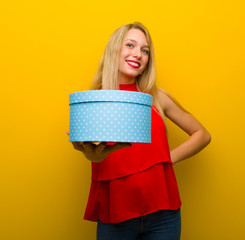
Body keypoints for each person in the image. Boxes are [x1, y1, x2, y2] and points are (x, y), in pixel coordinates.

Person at [68, 22, 211, 240]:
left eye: (145, 50)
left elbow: (202, 135)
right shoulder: (94, 101)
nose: (138, 54)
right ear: (114, 49)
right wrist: (91, 154)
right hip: (116, 216)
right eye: (130, 45)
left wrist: (166, 159)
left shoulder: (156, 97)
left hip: (164, 216)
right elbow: (93, 154)